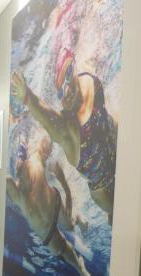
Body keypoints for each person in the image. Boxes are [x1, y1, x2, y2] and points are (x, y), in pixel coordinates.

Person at [10, 48, 117, 223]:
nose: (66, 92)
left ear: (74, 67)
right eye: (60, 90)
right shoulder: (69, 129)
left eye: (68, 75)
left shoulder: (88, 75)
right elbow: (47, 118)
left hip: (116, 146)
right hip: (102, 188)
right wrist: (27, 97)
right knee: (119, 215)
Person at [6, 132, 92, 276]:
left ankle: (77, 217)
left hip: (51, 201)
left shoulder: (35, 159)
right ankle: (80, 269)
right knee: (60, 248)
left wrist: (25, 144)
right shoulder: (20, 187)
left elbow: (33, 160)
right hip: (46, 226)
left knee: (70, 226)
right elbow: (10, 179)